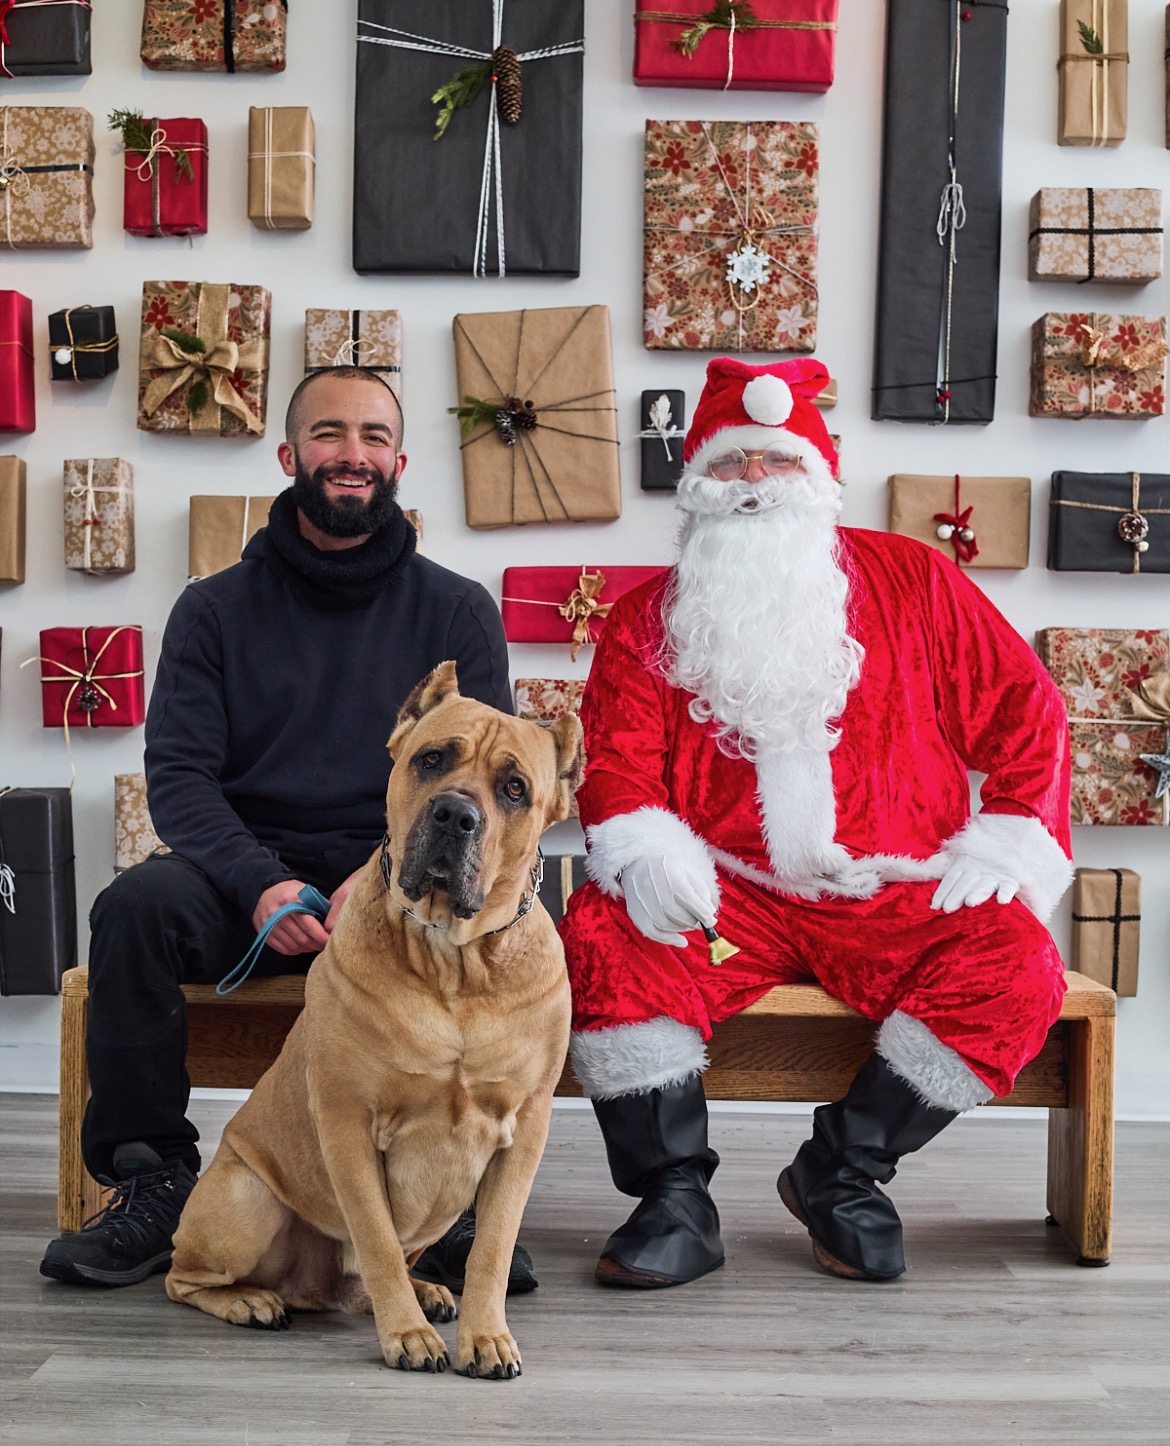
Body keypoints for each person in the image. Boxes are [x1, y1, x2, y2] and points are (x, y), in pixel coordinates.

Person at [560, 357, 1074, 1289]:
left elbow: (1028, 711)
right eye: (731, 464)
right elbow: (615, 760)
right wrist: (641, 844)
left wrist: (1009, 834)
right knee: (602, 930)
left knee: (1016, 959)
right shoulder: (643, 620)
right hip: (729, 905)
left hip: (891, 894)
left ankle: (843, 1170)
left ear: (818, 475)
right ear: (698, 486)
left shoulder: (915, 582)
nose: (753, 484)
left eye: (777, 461)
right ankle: (673, 1194)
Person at [41, 366, 537, 1295]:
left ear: (397, 460)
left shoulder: (458, 609)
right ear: (289, 455)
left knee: (504, 928)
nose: (352, 455)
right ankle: (154, 1185)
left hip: (398, 884)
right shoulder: (213, 608)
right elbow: (180, 778)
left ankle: (454, 1206)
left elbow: (487, 786)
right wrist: (258, 883)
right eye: (328, 435)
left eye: (373, 438)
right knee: (136, 908)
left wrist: (383, 874)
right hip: (249, 883)